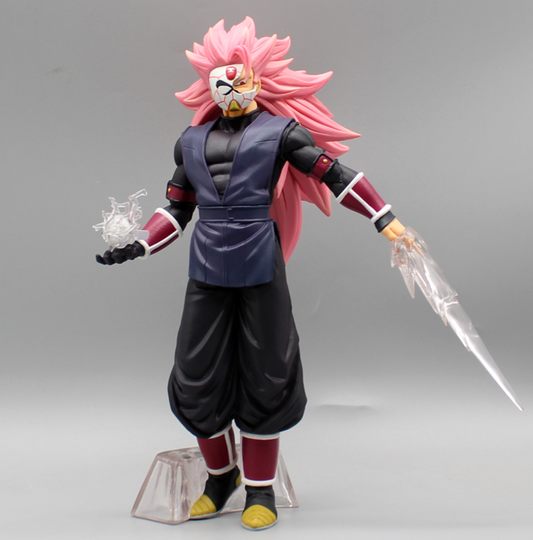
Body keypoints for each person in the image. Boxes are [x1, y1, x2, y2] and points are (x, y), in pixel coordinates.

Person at [96, 17, 406, 531]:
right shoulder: (190, 141)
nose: (230, 88)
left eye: (239, 78)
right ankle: (221, 478)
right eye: (220, 80)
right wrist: (140, 244)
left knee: (268, 374)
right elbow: (177, 208)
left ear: (257, 79)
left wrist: (384, 218)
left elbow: (333, 173)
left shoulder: (281, 133)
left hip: (260, 263)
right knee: (195, 375)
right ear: (209, 84)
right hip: (207, 267)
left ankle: (260, 489)